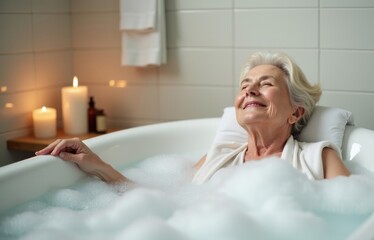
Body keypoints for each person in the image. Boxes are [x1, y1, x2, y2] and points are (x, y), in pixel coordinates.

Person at [36, 51, 350, 185]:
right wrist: (96, 164)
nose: (251, 90)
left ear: (296, 112)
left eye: (266, 84)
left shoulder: (318, 158)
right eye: (244, 86)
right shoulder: (219, 158)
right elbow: (163, 201)